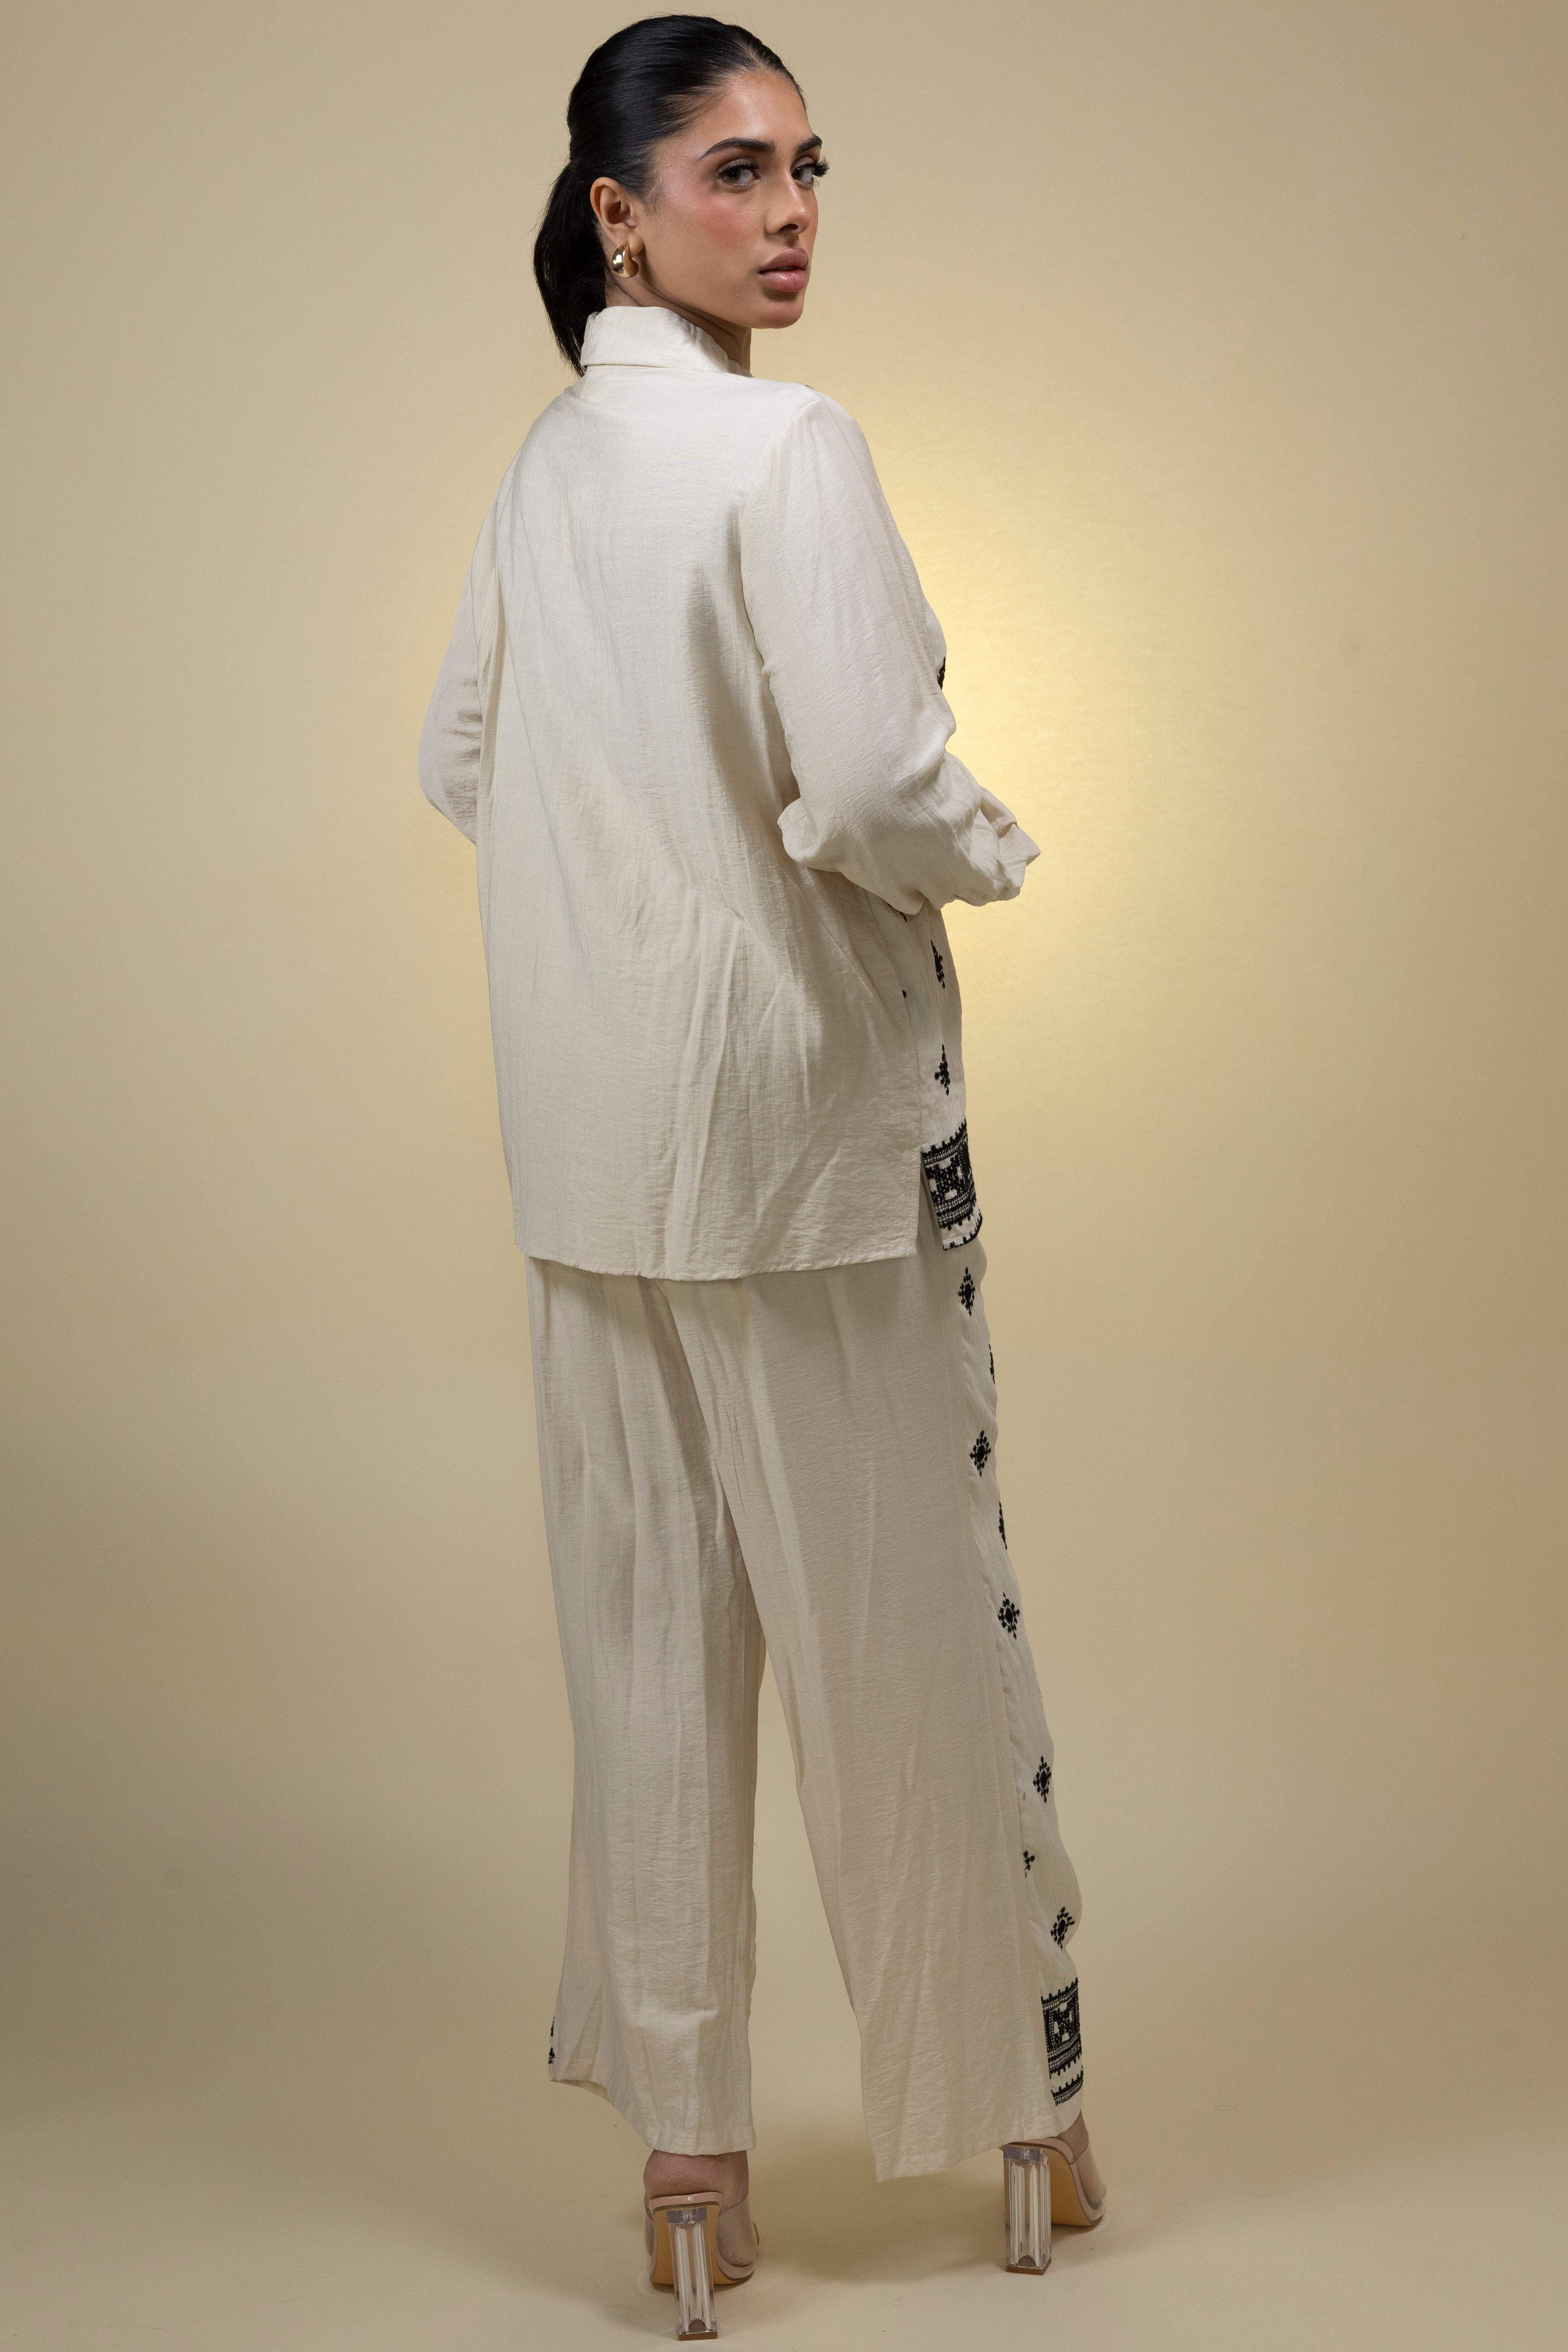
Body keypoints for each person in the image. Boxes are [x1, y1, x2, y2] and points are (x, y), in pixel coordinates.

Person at [417, 12, 1104, 2319]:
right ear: (620, 215)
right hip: (803, 1142)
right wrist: (988, 850)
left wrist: (622, 885)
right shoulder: (788, 447)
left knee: (645, 1658)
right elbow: (881, 783)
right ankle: (1013, 2123)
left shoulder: (546, 465)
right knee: (901, 1637)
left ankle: (688, 2176)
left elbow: (460, 756)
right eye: (738, 172)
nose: (792, 213)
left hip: (589, 1145)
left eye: (809, 167)